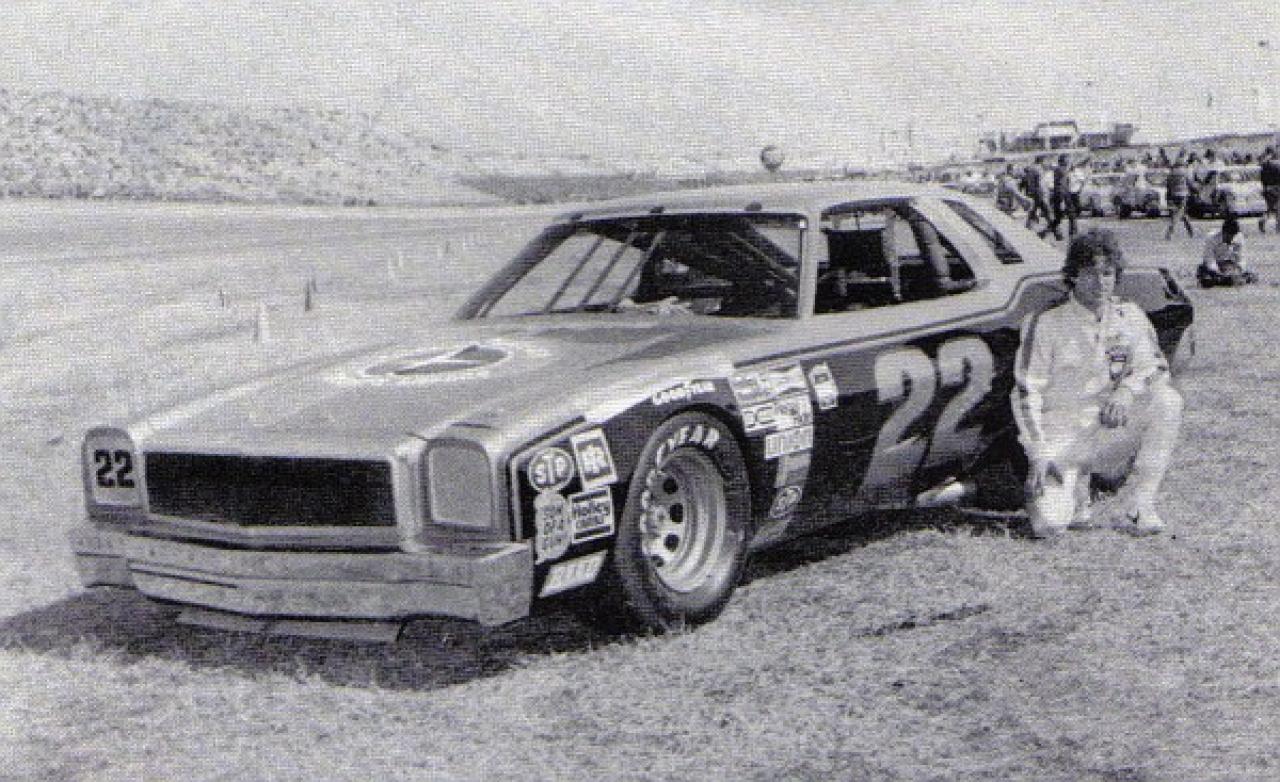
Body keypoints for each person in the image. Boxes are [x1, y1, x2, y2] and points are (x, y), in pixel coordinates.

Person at [1012, 229, 1183, 539]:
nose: (1100, 282)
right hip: (1063, 438)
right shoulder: (1046, 322)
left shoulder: (1129, 315)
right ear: (1073, 275)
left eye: (1107, 273)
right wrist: (1038, 452)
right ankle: (1076, 492)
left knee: (1167, 401)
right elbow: (1026, 392)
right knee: (1049, 525)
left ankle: (1140, 506)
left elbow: (1156, 366)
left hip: (1108, 432)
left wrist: (1127, 392)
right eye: (1090, 273)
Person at [1198, 217, 1257, 286]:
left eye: (1233, 236)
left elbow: (1242, 258)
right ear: (1223, 232)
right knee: (1206, 279)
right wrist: (1219, 273)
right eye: (1228, 236)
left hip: (1231, 266)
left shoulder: (1239, 238)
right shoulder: (1211, 238)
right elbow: (1209, 259)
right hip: (1215, 266)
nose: (1231, 239)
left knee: (1252, 276)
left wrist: (1237, 270)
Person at [1041, 154, 1076, 240]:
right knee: (1063, 217)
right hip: (1061, 195)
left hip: (1064, 194)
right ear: (1063, 160)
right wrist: (1061, 200)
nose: (1068, 160)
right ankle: (1072, 234)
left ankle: (1072, 233)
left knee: (1067, 216)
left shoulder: (1061, 169)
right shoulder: (1060, 169)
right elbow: (1060, 184)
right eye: (1067, 159)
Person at [1164, 157, 1195, 239]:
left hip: (1173, 194)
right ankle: (1171, 230)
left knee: (1182, 213)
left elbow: (1168, 185)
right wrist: (1195, 191)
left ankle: (1190, 231)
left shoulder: (1171, 173)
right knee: (1179, 213)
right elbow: (1190, 183)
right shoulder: (1185, 172)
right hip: (1183, 194)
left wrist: (1168, 196)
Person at [1023, 156, 1053, 230]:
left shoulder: (1031, 168)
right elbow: (1040, 183)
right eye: (1044, 161)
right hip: (1039, 193)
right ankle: (1053, 226)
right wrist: (1045, 193)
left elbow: (1028, 182)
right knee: (1045, 209)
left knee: (1034, 209)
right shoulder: (1039, 169)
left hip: (1032, 192)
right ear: (1041, 161)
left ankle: (1028, 225)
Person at [1259, 147, 1280, 234]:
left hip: (1266, 189)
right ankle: (1278, 227)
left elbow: (1262, 179)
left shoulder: (1263, 166)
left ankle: (1262, 220)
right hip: (1275, 189)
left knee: (1270, 208)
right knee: (1277, 208)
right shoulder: (1276, 166)